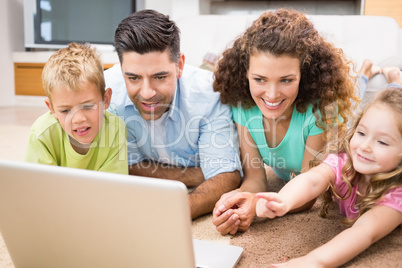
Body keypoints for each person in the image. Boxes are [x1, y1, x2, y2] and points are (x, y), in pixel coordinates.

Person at [212, 9, 359, 235]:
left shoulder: (321, 110)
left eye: (286, 80)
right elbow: (255, 179)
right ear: (246, 75)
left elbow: (308, 193)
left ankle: (382, 76)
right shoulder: (244, 107)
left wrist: (259, 207)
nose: (271, 95)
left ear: (304, 75)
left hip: (346, 129)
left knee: (378, 96)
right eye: (260, 79)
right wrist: (240, 201)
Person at [104, 9, 242, 219]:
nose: (147, 93)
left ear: (179, 65)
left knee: (221, 72)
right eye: (133, 78)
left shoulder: (210, 94)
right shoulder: (107, 93)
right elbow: (125, 167)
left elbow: (227, 176)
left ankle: (210, 60)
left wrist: (178, 211)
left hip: (198, 83)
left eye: (160, 77)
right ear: (121, 68)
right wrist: (199, 174)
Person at [256, 87, 402, 267]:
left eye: (382, 142)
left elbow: (364, 231)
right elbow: (313, 180)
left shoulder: (397, 195)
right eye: (362, 133)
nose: (364, 146)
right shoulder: (344, 161)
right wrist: (284, 200)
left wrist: (312, 262)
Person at [25, 42, 128, 174]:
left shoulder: (115, 129)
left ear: (106, 99)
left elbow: (113, 188)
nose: (78, 119)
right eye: (65, 110)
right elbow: (38, 188)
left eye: (88, 106)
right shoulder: (41, 133)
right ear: (51, 109)